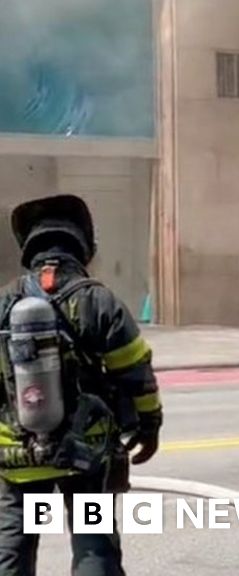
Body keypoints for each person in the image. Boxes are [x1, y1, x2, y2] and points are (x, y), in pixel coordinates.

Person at [0, 194, 162, 576]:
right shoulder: (99, 301)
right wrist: (149, 427)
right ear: (82, 247)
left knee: (16, 547)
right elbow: (136, 373)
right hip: (84, 455)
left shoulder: (5, 302)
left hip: (19, 458)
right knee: (93, 548)